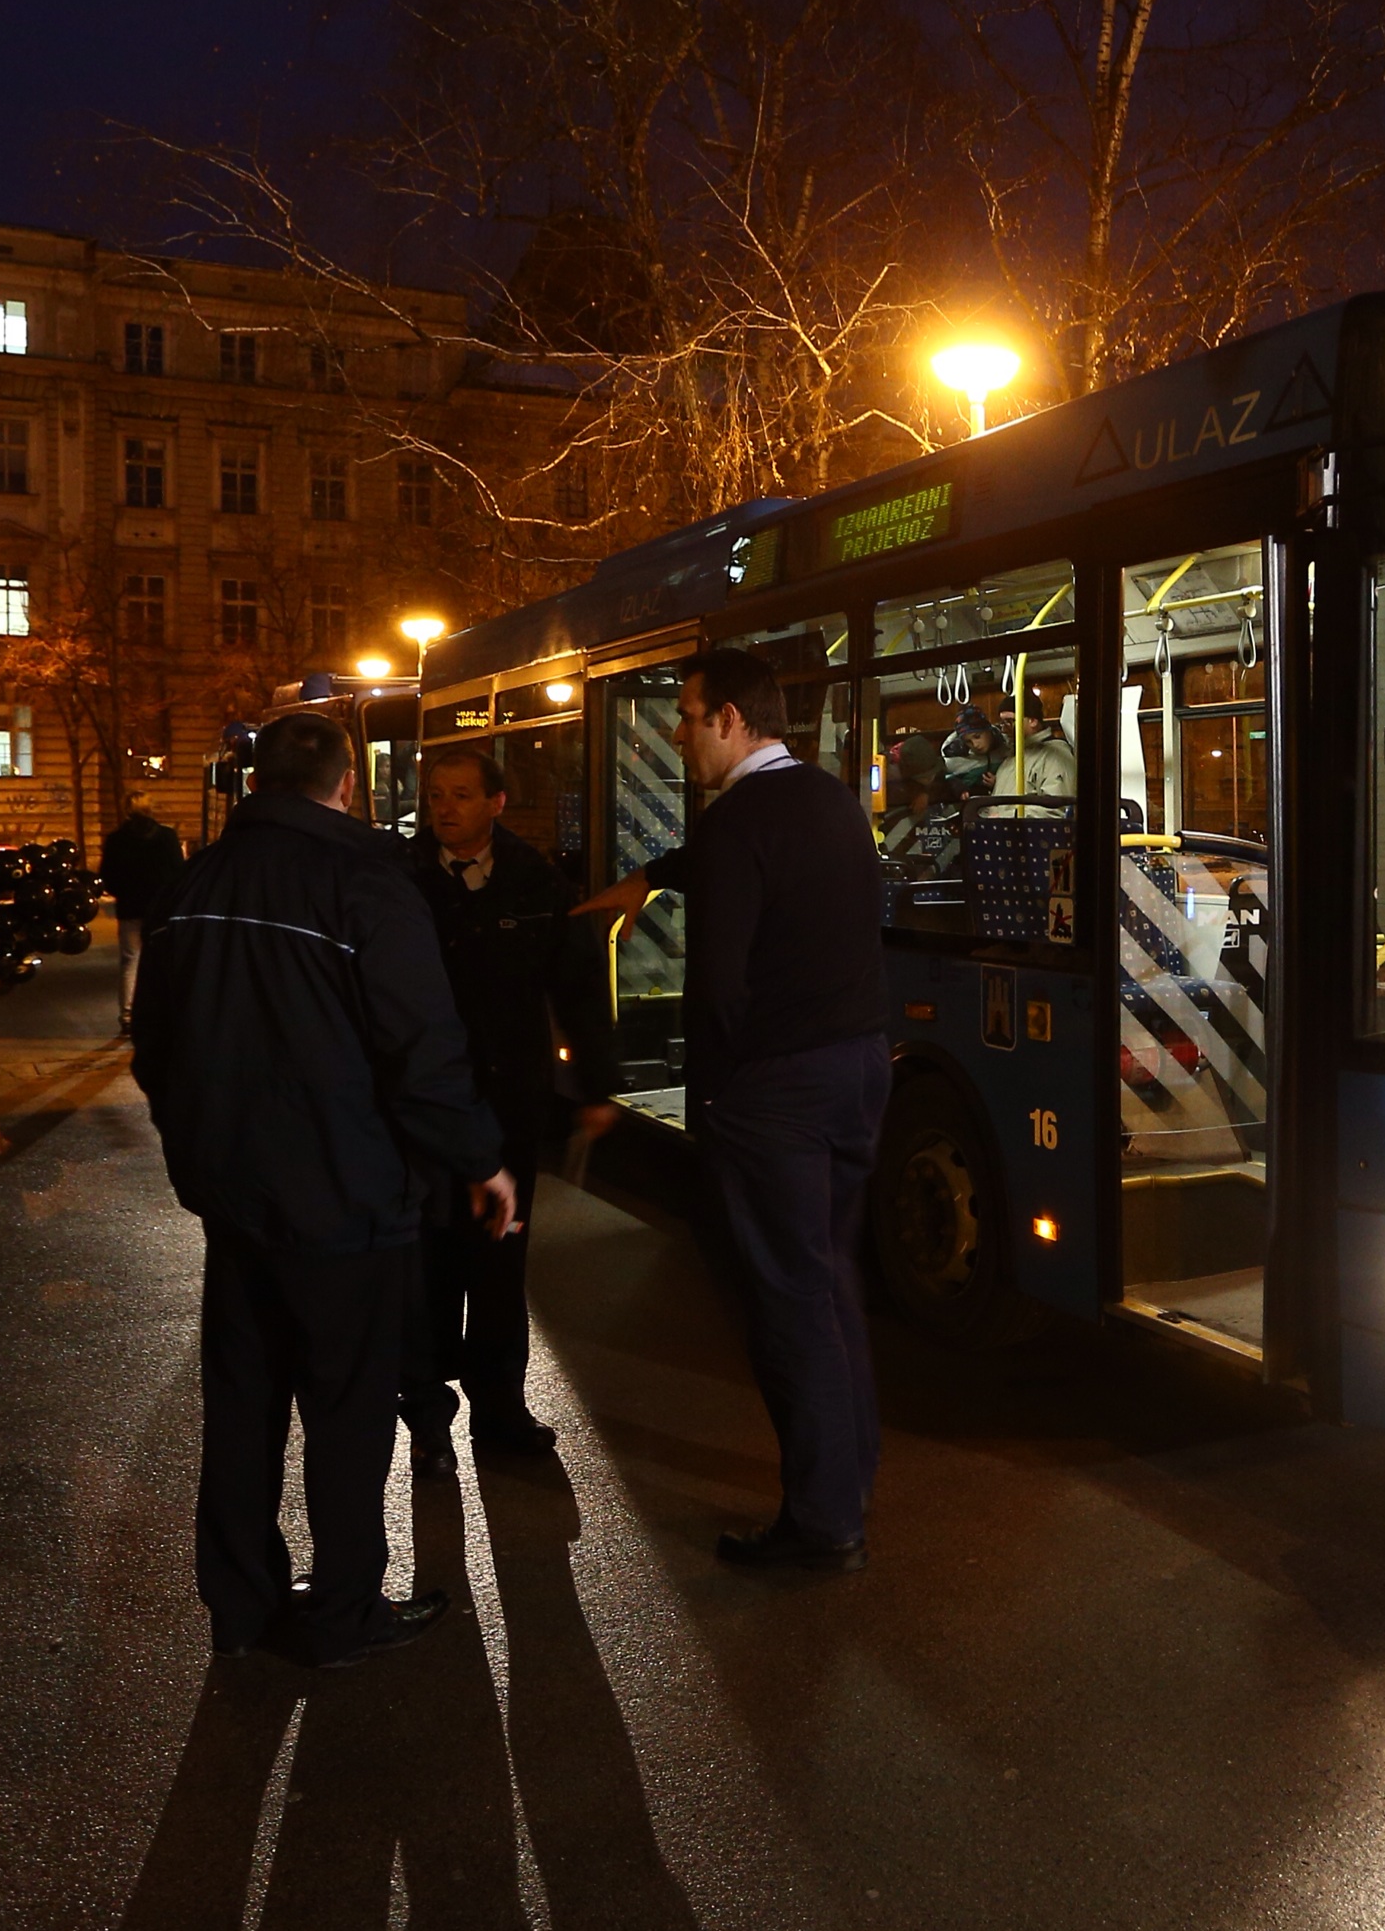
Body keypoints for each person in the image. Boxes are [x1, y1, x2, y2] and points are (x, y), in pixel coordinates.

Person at [130, 711, 520, 1668]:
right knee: (346, 1409)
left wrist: (201, 1145)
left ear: (257, 783)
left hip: (236, 1198)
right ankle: (344, 1607)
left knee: (243, 1400)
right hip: (347, 1197)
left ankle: (240, 1605)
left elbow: (155, 1046)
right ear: (348, 784)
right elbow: (421, 1049)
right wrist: (480, 1157)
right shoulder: (366, 884)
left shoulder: (196, 884)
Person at [578, 649, 889, 1571]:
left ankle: (823, 1521)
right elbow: (754, 854)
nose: (675, 732)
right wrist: (660, 871)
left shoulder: (733, 825)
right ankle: (849, 1475)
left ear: (730, 721)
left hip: (774, 1093)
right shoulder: (832, 799)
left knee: (786, 1305)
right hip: (858, 1072)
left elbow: (715, 987)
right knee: (831, 1281)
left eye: (685, 714)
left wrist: (711, 1096)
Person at [398, 743, 623, 1476]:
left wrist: (595, 1084)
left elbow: (581, 985)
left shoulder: (533, 882)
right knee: (428, 1265)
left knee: (499, 1260)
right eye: (436, 794)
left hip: (504, 1108)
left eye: (461, 794)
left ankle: (501, 1410)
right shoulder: (402, 880)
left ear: (496, 802)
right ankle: (429, 1419)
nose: (445, 807)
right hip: (424, 1111)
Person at [99, 789, 188, 1035]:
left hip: (130, 909)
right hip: (161, 910)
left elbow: (108, 877)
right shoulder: (167, 837)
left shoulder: (116, 839)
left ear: (128, 810)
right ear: (150, 808)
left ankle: (127, 1014)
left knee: (130, 961)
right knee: (163, 961)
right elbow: (178, 873)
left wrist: (124, 893)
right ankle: (163, 1013)